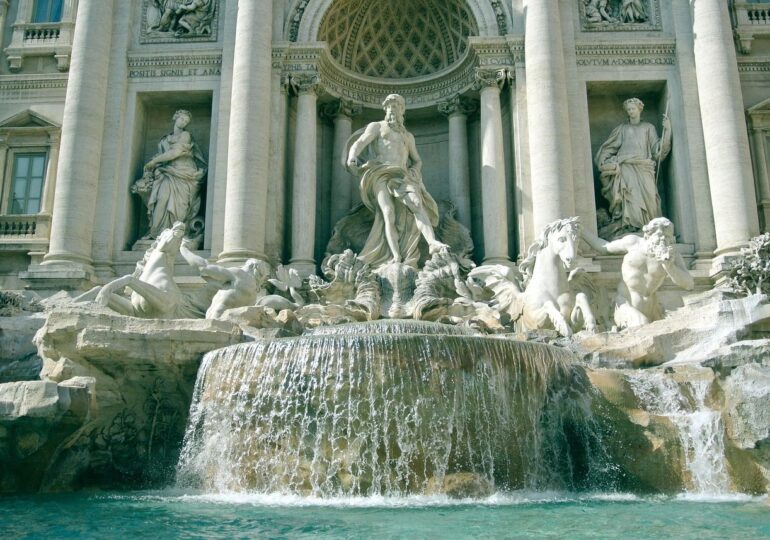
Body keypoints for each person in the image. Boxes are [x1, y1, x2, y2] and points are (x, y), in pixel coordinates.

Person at [345, 94, 447, 268]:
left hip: (402, 175)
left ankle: (432, 243)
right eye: (390, 106)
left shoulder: (407, 136)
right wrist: (352, 156)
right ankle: (396, 257)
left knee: (416, 204)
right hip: (380, 173)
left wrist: (414, 171)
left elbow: (417, 160)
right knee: (388, 212)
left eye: (397, 106)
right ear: (385, 109)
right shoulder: (377, 127)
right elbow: (360, 142)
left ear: (402, 111)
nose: (393, 109)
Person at [582, 217, 694, 329]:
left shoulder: (672, 255)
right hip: (626, 304)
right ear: (648, 234)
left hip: (652, 308)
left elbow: (689, 284)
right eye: (659, 236)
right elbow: (604, 248)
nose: (662, 240)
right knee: (643, 325)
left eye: (667, 237)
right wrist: (581, 231)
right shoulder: (633, 242)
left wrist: (670, 267)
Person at [595, 97, 671, 237]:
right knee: (631, 196)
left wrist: (667, 131)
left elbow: (657, 150)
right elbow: (609, 147)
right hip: (626, 166)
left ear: (639, 109)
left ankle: (650, 227)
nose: (631, 111)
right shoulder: (622, 129)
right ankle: (631, 227)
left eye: (633, 109)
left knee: (650, 198)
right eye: (628, 109)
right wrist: (603, 159)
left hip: (644, 166)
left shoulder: (649, 127)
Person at [133, 109, 207, 239]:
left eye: (186, 121)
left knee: (180, 205)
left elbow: (175, 153)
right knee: (161, 199)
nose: (184, 122)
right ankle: (156, 232)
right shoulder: (165, 139)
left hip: (185, 174)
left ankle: (174, 235)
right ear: (175, 117)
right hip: (167, 173)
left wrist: (155, 161)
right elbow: (165, 155)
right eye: (182, 119)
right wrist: (156, 164)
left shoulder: (186, 135)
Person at [179, 244, 271, 320]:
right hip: (228, 323)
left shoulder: (240, 274)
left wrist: (184, 249)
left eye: (244, 266)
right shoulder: (253, 295)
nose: (241, 267)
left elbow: (205, 268)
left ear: (251, 267)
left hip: (215, 319)